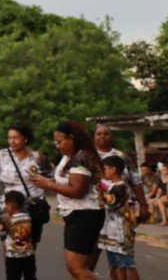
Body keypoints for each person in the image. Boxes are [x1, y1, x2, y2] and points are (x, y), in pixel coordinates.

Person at [31, 120, 104, 280]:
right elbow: (64, 181)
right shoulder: (68, 157)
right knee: (77, 270)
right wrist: (44, 179)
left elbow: (77, 190)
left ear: (72, 138)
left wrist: (49, 184)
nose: (57, 146)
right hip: (75, 214)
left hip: (85, 215)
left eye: (60, 141)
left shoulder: (81, 158)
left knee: (77, 268)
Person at [92, 124, 149, 272]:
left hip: (121, 216)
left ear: (112, 137)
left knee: (122, 260)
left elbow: (136, 181)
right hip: (94, 213)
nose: (102, 137)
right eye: (99, 134)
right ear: (94, 137)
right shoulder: (87, 156)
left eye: (106, 134)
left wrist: (143, 205)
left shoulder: (122, 157)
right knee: (93, 253)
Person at [0, 122, 51, 252]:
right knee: (9, 247)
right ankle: (11, 273)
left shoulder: (37, 158)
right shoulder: (2, 155)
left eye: (16, 137)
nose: (12, 141)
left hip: (31, 211)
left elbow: (52, 179)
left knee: (29, 248)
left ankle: (28, 272)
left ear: (25, 138)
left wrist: (44, 184)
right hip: (7, 211)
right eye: (10, 138)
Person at [98, 155, 140, 280]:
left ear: (113, 169)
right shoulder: (113, 186)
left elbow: (109, 203)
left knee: (128, 264)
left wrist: (98, 186)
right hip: (112, 231)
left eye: (104, 169)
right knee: (117, 264)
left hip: (122, 231)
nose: (103, 172)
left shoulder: (120, 187)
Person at [0, 190, 36, 280]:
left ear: (9, 205)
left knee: (13, 276)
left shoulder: (5, 219)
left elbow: (2, 234)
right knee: (30, 276)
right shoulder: (29, 217)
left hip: (12, 255)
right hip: (29, 254)